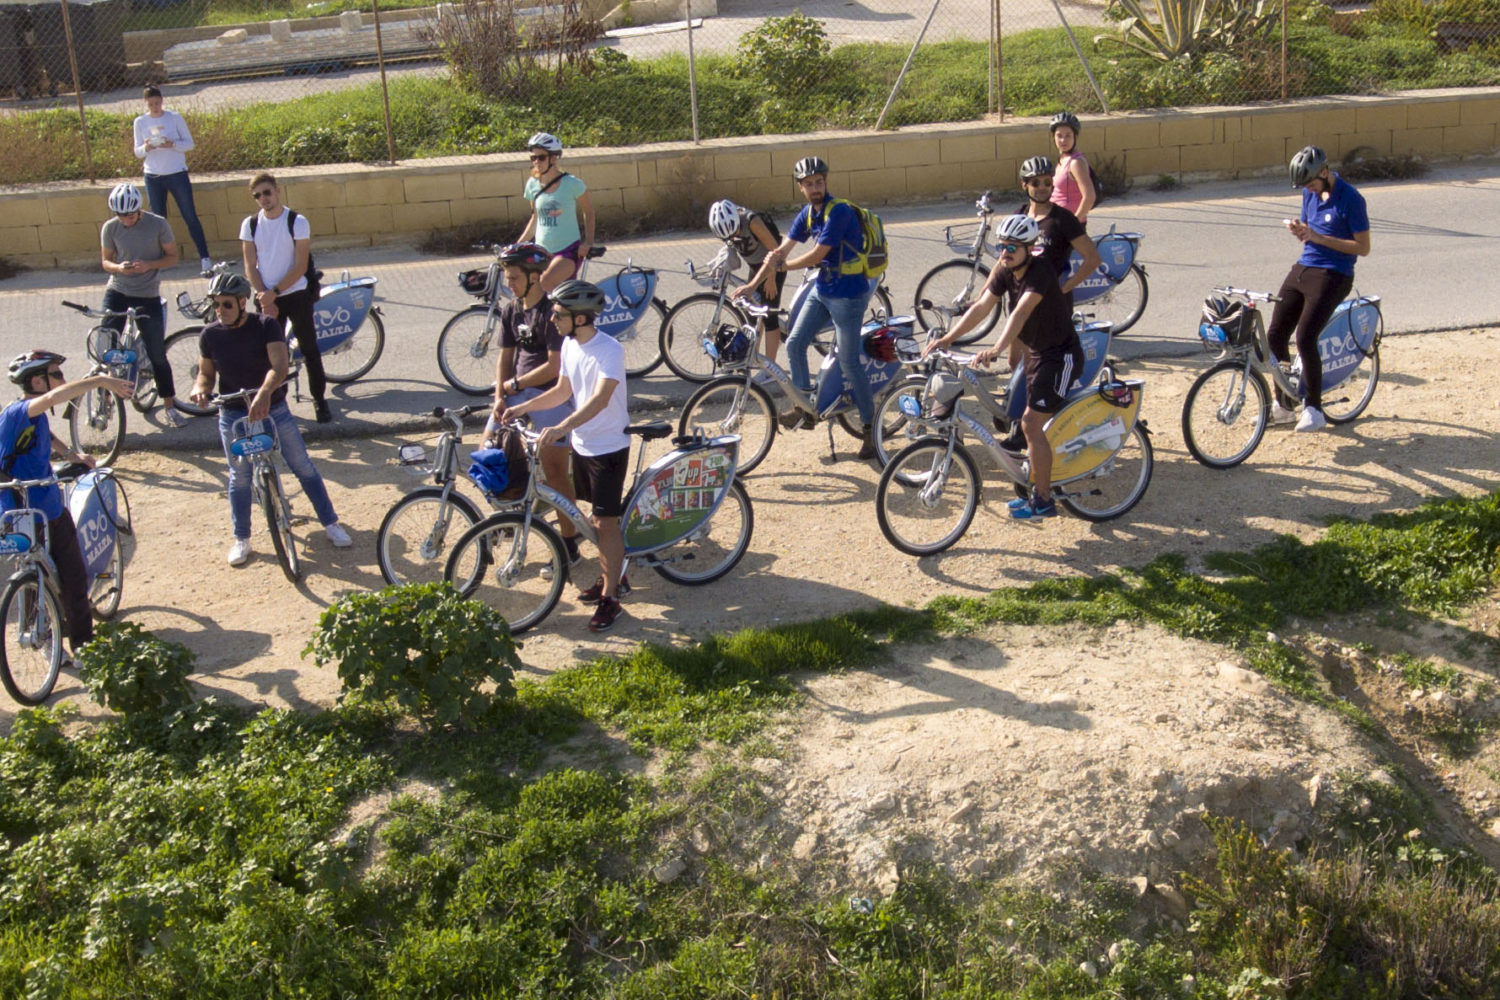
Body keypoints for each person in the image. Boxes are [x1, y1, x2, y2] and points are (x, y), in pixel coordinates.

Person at [923, 215, 1083, 521]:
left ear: (1030, 248)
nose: (1004, 252)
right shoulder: (1004, 269)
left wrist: (996, 348)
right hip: (1035, 354)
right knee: (1017, 417)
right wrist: (948, 338)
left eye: (1012, 247)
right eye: (1001, 245)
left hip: (1061, 356)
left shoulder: (1041, 271)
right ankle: (1035, 479)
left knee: (1030, 424)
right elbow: (982, 306)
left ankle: (1044, 501)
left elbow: (1020, 313)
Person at [188, 272, 352, 567]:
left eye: (226, 304)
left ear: (241, 302)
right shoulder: (210, 335)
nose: (220, 311)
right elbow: (206, 374)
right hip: (234, 413)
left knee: (301, 464)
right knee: (239, 477)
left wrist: (264, 394)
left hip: (273, 408)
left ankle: (330, 523)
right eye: (216, 305)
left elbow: (278, 365)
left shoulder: (265, 326)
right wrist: (200, 389)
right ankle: (242, 538)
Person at [499, 279, 629, 633]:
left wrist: (562, 427)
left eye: (559, 315)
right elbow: (562, 391)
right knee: (591, 517)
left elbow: (600, 400)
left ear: (582, 318)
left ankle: (612, 597)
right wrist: (521, 406)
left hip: (608, 448)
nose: (552, 320)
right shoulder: (571, 345)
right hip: (583, 445)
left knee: (605, 523)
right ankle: (613, 573)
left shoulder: (609, 350)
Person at [736, 156, 878, 460]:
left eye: (819, 182)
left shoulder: (837, 211)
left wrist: (782, 266)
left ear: (825, 182)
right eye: (809, 184)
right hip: (823, 289)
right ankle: (805, 408)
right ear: (800, 187)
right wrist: (753, 284)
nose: (815, 188)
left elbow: (817, 254)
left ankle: (870, 426)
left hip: (849, 295)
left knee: (849, 363)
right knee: (796, 343)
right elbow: (779, 250)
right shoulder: (808, 214)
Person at [0, 351, 134, 659]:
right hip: (37, 512)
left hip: (23, 510)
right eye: (56, 374)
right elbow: (53, 399)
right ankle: (78, 646)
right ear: (36, 380)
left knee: (45, 577)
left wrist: (70, 454)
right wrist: (99, 380)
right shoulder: (24, 409)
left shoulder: (26, 417)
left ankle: (64, 644)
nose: (62, 380)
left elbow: (44, 433)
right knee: (63, 578)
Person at [485, 241, 582, 566]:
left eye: (513, 278)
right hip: (516, 394)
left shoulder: (553, 312)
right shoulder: (512, 308)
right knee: (491, 455)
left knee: (556, 473)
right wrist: (500, 394)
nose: (508, 284)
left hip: (549, 395)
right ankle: (509, 519)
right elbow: (505, 357)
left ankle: (569, 543)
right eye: (507, 277)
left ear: (535, 276)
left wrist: (516, 385)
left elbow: (554, 367)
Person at [1268, 145, 1372, 433]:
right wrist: (1301, 231)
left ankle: (1314, 409)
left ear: (1325, 172)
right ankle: (1285, 406)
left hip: (1334, 274)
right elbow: (1311, 233)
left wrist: (1319, 237)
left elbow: (1363, 248)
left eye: (1312, 184)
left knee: (1305, 337)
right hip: (1305, 266)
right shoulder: (1308, 193)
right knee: (1275, 334)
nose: (1310, 191)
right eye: (1305, 187)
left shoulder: (1351, 199)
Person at [240, 172, 331, 424]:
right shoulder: (250, 225)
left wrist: (275, 293)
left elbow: (300, 265)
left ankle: (320, 401)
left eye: (267, 192)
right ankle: (276, 404)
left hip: (295, 294)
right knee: (270, 355)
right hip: (267, 297)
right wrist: (264, 298)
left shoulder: (297, 221)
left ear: (277, 191)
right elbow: (250, 265)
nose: (263, 199)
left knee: (310, 349)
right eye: (257, 195)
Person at [99, 182, 191, 429]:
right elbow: (106, 261)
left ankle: (170, 406)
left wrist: (149, 265)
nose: (126, 221)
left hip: (147, 294)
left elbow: (172, 257)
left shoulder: (158, 224)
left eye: (130, 215)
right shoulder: (110, 228)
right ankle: (104, 401)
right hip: (118, 290)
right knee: (105, 346)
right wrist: (119, 268)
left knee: (156, 353)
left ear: (139, 210)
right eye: (121, 216)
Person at [132, 85, 212, 274]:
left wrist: (172, 144)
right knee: (158, 219)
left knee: (189, 215)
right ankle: (160, 261)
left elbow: (189, 144)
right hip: (153, 175)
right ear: (145, 103)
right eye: (151, 104)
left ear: (162, 100)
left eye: (157, 103)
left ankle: (205, 258)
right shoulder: (140, 122)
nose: (155, 107)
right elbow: (137, 151)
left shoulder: (174, 118)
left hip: (176, 173)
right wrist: (147, 148)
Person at [709, 198, 786, 375]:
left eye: (735, 232)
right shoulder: (726, 229)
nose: (733, 237)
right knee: (752, 316)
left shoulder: (752, 221)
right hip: (756, 267)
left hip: (773, 267)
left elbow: (776, 251)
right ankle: (751, 359)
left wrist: (772, 278)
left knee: (768, 316)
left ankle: (770, 370)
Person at [1018, 155, 1102, 312]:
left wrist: (1063, 289)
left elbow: (1093, 259)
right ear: (1024, 185)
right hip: (1024, 303)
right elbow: (1003, 260)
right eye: (1035, 183)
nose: (1042, 187)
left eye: (1047, 182)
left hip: (1055, 310)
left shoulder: (1063, 219)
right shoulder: (1019, 218)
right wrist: (981, 295)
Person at [517, 132, 595, 293]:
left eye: (541, 157)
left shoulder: (572, 183)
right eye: (533, 158)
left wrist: (588, 242)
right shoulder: (532, 185)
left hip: (568, 251)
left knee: (545, 282)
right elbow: (535, 218)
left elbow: (589, 212)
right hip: (542, 251)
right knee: (528, 288)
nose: (536, 162)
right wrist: (517, 245)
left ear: (553, 158)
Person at [1048, 112, 1096, 227]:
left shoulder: (1076, 163)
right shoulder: (1063, 159)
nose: (1063, 140)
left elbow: (1089, 197)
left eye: (1068, 135)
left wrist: (1074, 222)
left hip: (1069, 225)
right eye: (1059, 135)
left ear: (1075, 137)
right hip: (1057, 221)